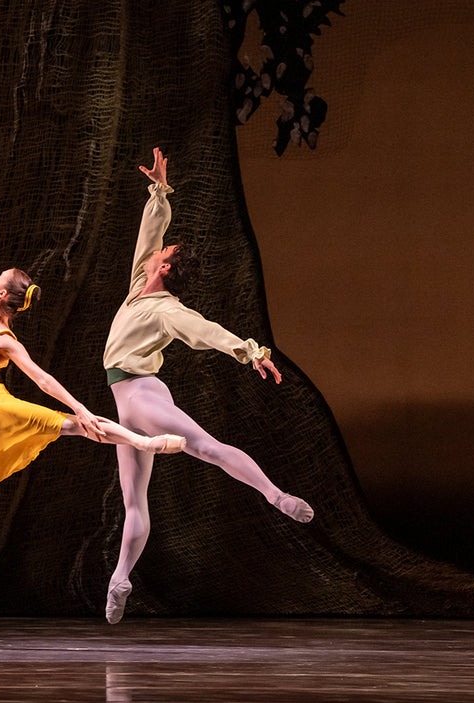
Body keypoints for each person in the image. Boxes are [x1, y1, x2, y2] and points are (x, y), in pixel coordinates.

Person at [0, 183, 186, 636]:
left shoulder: (4, 339)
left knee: (72, 424)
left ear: (2, 295)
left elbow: (41, 378)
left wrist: (81, 405)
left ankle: (143, 440)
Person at [102, 148, 315, 624]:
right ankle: (120, 579)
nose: (158, 249)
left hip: (143, 394)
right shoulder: (140, 281)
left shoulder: (167, 309)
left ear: (166, 268)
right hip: (126, 403)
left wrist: (250, 350)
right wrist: (158, 189)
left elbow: (207, 330)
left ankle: (274, 495)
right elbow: (149, 232)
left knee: (205, 447)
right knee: (133, 499)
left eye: (164, 253)